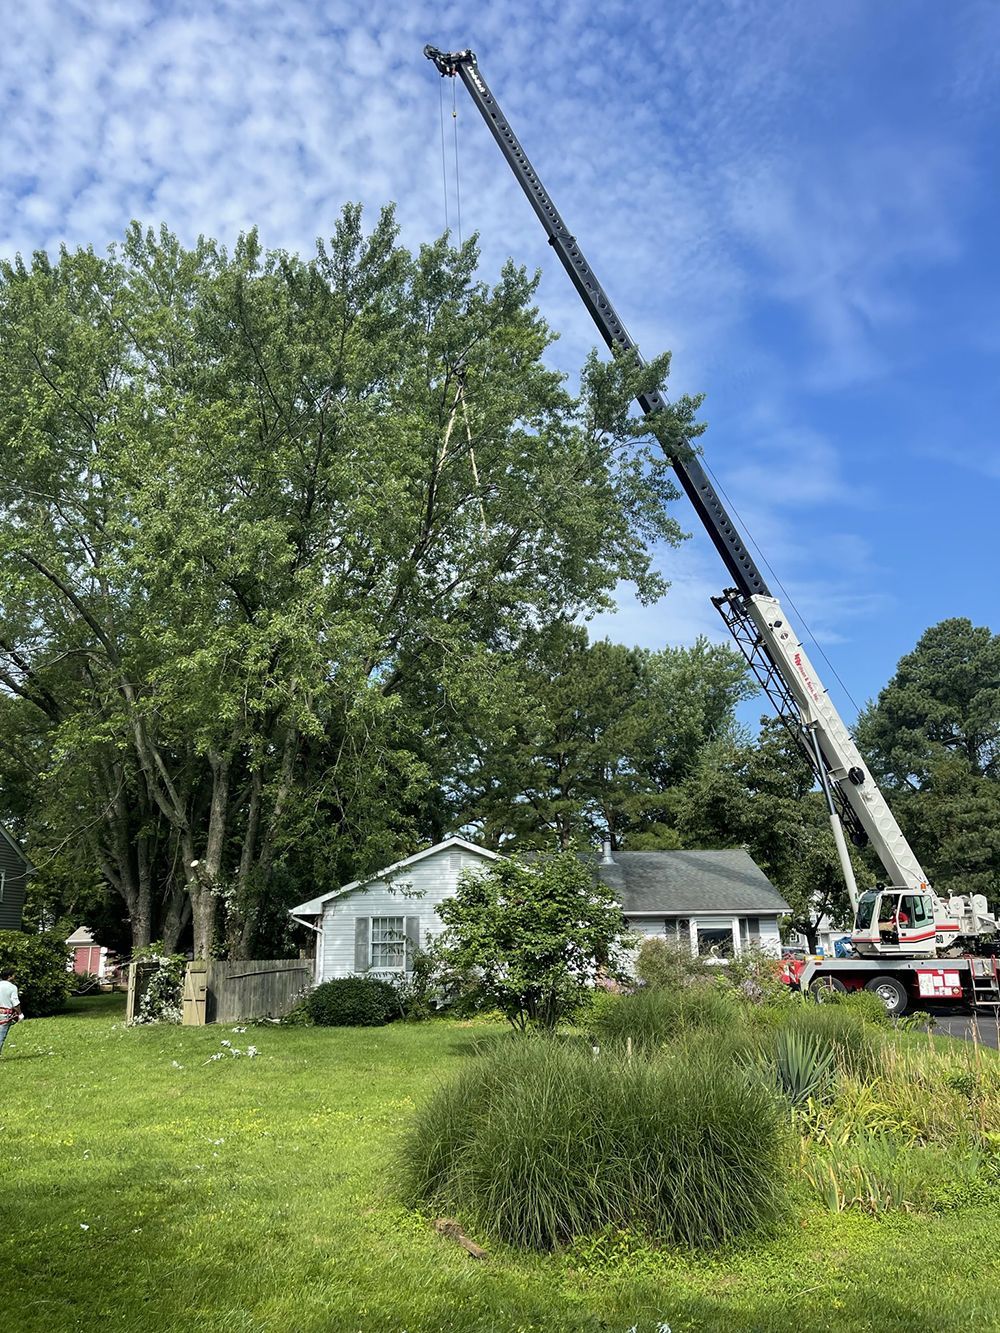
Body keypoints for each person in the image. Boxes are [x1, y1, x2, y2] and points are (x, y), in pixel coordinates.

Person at [0, 967, 24, 1056]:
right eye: (13, 975)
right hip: (4, 1014)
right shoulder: (12, 987)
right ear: (9, 976)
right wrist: (20, 1014)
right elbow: (15, 1003)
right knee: (1, 1035)